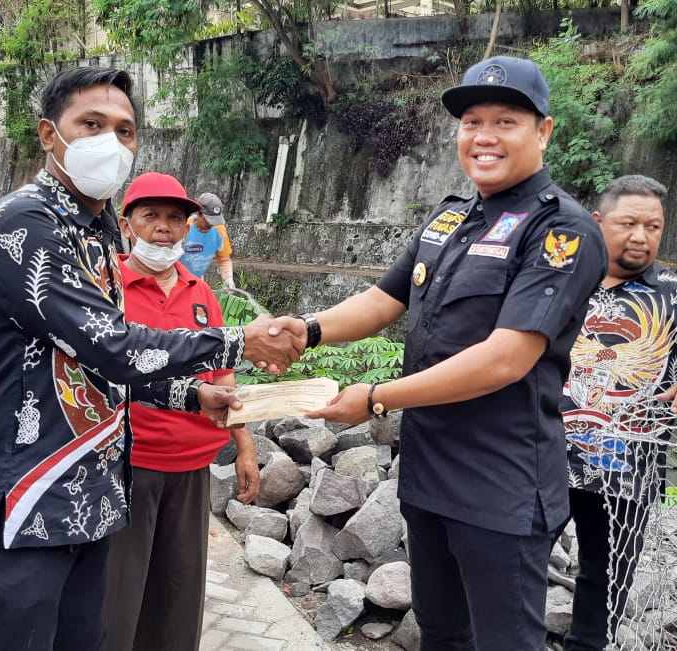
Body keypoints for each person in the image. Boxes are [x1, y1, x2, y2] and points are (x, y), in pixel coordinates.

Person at [0, 67, 299, 651]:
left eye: (125, 130)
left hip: (90, 497)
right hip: (23, 496)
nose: (111, 141)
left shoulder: (101, 228)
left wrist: (191, 394)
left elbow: (94, 365)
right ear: (49, 134)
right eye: (92, 123)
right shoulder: (25, 221)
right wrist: (240, 341)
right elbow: (112, 344)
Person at [268, 56, 607, 649]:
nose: (484, 136)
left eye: (505, 122)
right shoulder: (450, 218)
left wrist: (377, 398)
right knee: (442, 634)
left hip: (501, 484)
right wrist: (308, 328)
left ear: (543, 132)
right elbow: (382, 300)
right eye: (472, 122)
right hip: (428, 476)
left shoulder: (561, 231)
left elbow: (506, 358)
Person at [559, 175, 677, 651]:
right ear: (598, 223)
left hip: (627, 470)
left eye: (653, 226)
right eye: (628, 224)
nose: (641, 236)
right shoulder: (557, 279)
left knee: (605, 581)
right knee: (516, 562)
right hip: (540, 456)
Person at [102, 172, 259, 651]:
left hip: (192, 468)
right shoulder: (107, 287)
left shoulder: (201, 293)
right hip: (127, 464)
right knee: (116, 596)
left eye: (175, 218)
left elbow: (223, 376)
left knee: (177, 592)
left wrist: (245, 445)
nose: (163, 228)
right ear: (126, 225)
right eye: (150, 216)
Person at [179, 192, 235, 288]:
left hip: (197, 281)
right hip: (176, 280)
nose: (211, 224)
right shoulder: (184, 226)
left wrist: (228, 278)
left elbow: (224, 259)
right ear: (198, 213)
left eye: (215, 220)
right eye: (208, 219)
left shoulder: (220, 230)